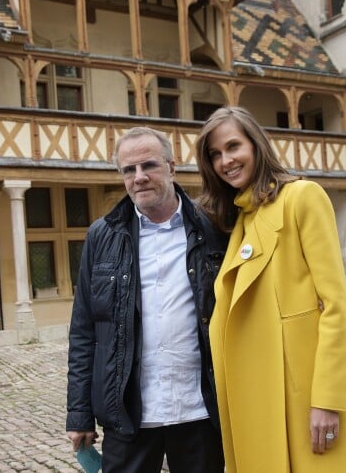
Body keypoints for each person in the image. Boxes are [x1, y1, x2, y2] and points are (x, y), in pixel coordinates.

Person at [195, 106, 346, 473]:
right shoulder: (241, 218)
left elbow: (336, 306)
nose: (226, 160)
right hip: (257, 402)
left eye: (233, 146)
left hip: (302, 396)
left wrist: (327, 399)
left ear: (256, 145)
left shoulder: (302, 197)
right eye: (215, 154)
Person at [66, 126, 227, 473]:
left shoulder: (214, 227)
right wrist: (79, 413)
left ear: (172, 166)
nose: (139, 177)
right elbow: (83, 331)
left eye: (149, 166)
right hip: (127, 413)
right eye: (128, 170)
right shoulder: (102, 235)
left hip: (200, 409)